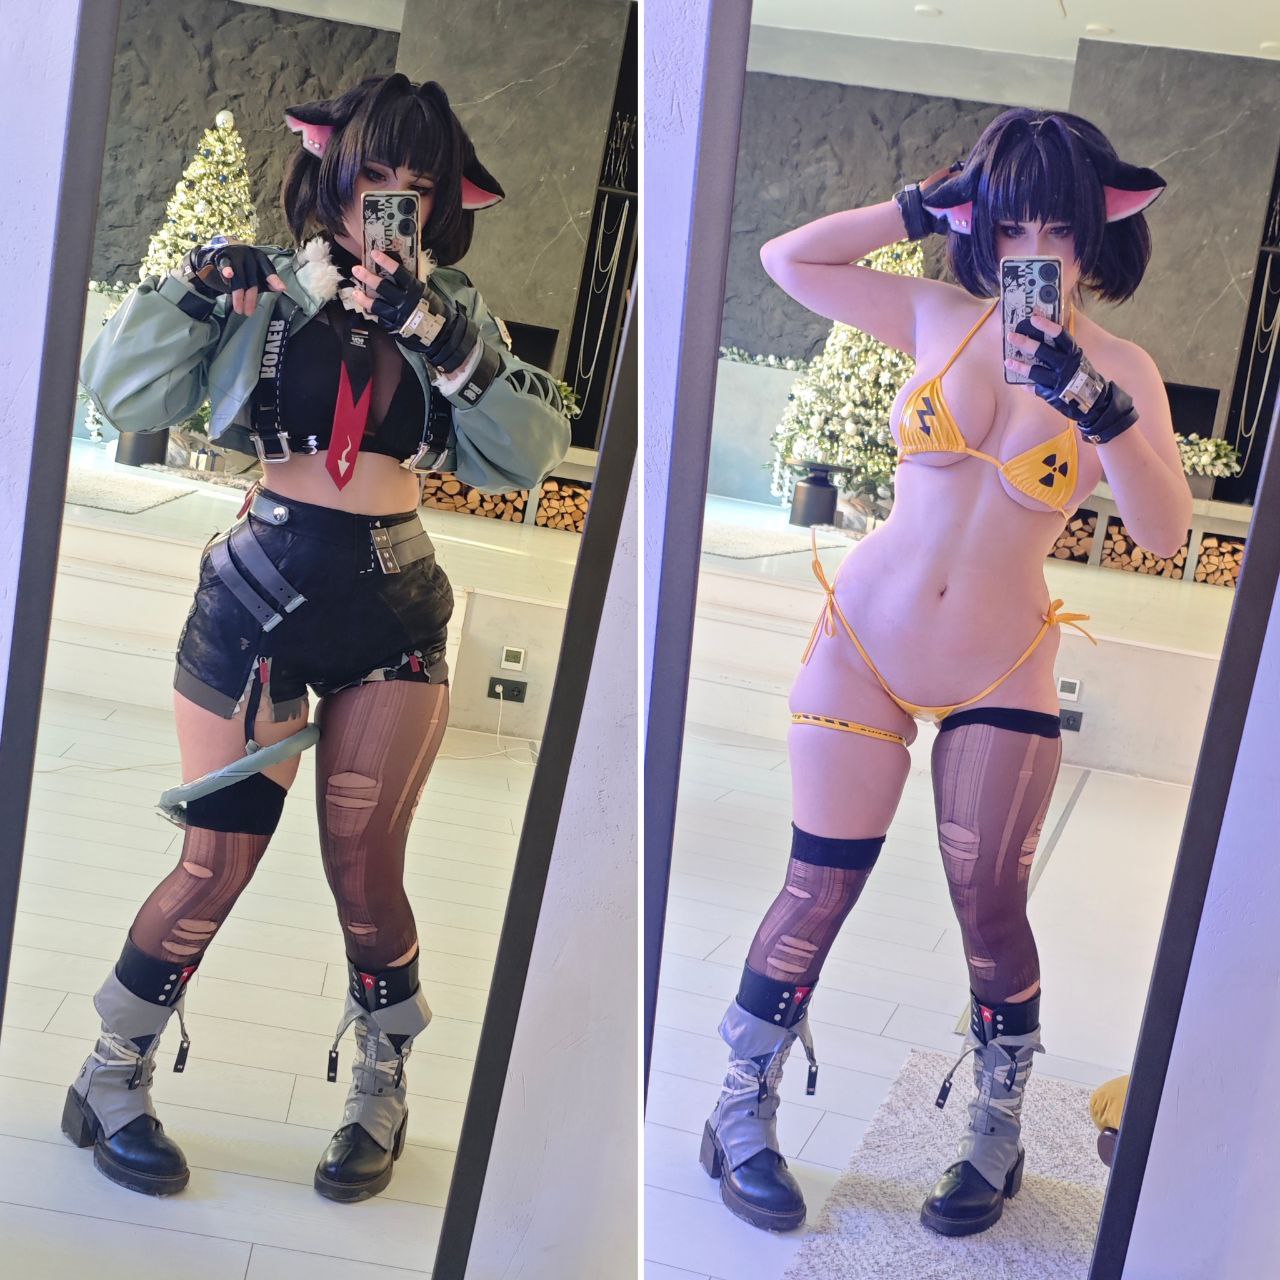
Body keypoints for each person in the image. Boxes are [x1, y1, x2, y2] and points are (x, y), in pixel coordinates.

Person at [63, 73, 570, 1202]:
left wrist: (434, 329)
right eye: (372, 176)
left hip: (395, 608)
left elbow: (528, 452)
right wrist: (200, 287)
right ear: (332, 175)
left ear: (443, 199)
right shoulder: (263, 287)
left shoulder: (458, 311)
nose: (391, 202)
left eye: (415, 184)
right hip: (258, 595)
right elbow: (121, 392)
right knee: (216, 860)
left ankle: (380, 1090)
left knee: (368, 874)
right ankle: (107, 1075)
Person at [699, 108, 1188, 1237]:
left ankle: (995, 1130)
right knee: (815, 884)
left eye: (1055, 228)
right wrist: (918, 207)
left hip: (998, 668)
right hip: (860, 649)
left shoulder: (1122, 371)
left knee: (990, 905)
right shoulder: (934, 314)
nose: (1031, 251)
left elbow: (1164, 530)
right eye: (1009, 224)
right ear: (979, 225)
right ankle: (737, 1108)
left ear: (1096, 230)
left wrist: (1096, 407)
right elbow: (788, 261)